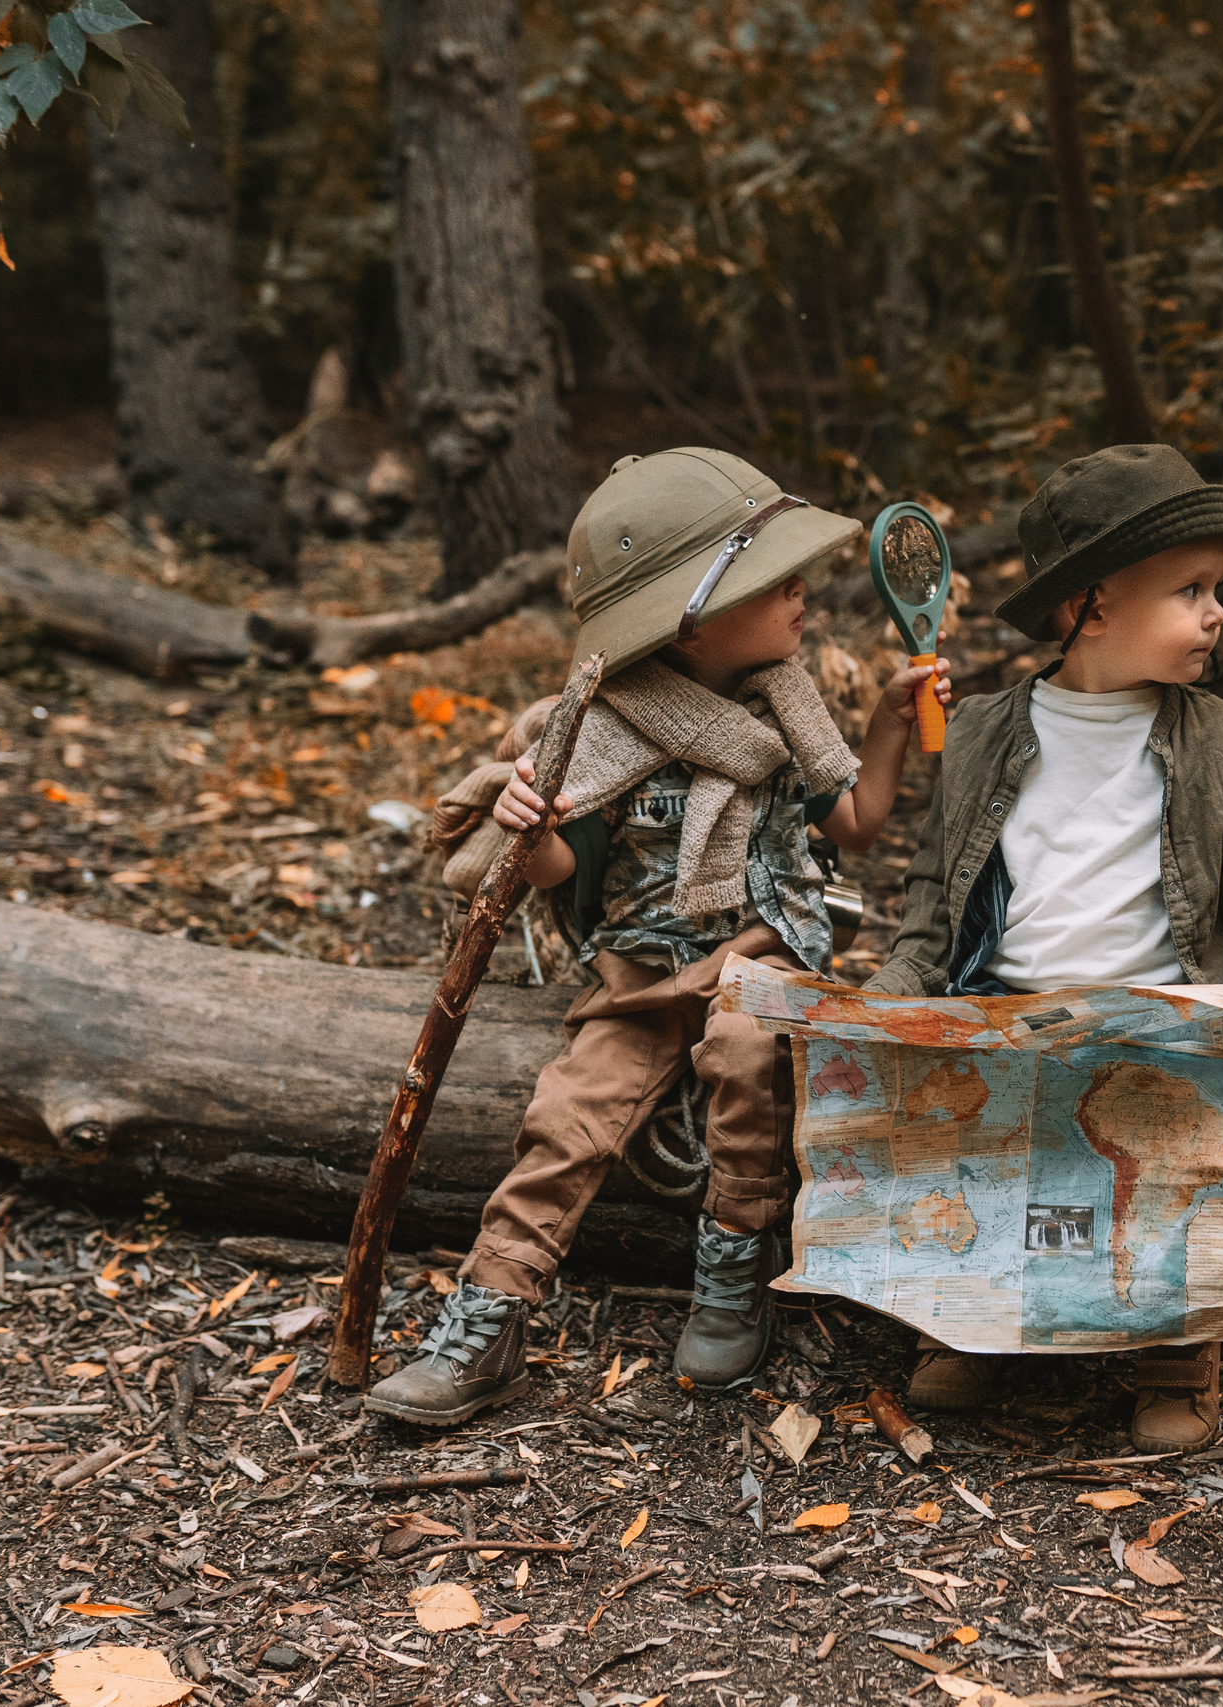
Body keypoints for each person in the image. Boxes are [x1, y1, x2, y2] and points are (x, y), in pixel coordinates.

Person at [366, 448, 949, 1427]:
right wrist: (531, 822)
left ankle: (732, 1267)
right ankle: (490, 1308)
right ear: (688, 622)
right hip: (641, 971)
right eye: (771, 577)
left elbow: (851, 824)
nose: (800, 590)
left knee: (744, 1051)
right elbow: (554, 876)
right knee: (573, 1106)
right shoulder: (600, 724)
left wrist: (892, 723)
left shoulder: (787, 698)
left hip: (764, 952)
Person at [865, 442, 1223, 1452]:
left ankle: (1172, 1348)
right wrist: (894, 986)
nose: (1216, 613)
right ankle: (977, 1319)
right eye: (1189, 590)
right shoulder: (983, 732)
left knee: (1163, 1168)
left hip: (1160, 1010)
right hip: (1012, 1004)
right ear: (1090, 605)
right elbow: (937, 893)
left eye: (1217, 590)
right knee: (979, 1156)